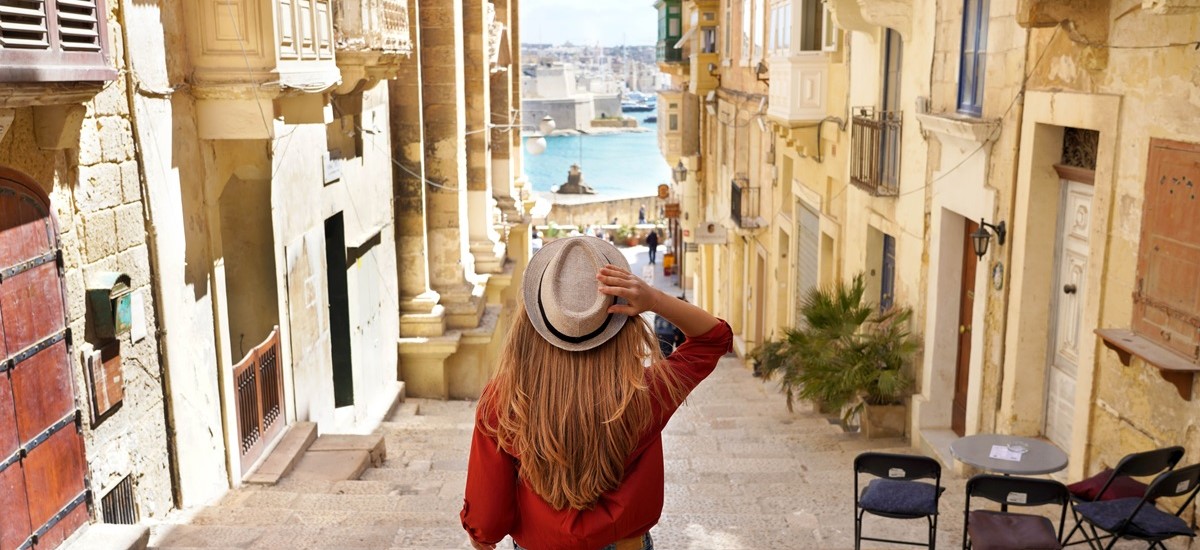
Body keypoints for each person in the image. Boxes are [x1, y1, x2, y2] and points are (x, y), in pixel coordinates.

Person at [460, 237, 731, 550]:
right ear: (622, 323)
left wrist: (481, 537)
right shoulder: (644, 395)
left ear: (532, 323)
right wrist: (654, 299)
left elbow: (488, 519)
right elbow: (714, 338)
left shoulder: (506, 400)